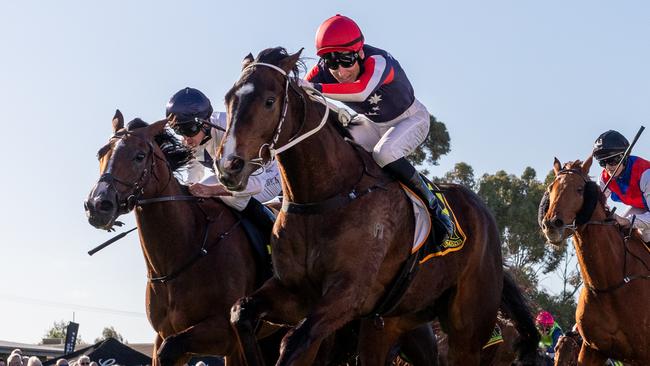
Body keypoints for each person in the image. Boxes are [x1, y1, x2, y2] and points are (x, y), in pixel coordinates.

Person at [303, 14, 453, 242]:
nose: (341, 72)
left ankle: (434, 207)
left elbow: (361, 90)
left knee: (385, 153)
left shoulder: (379, 61)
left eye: (346, 60)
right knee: (338, 148)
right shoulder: (322, 70)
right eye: (332, 63)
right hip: (372, 123)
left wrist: (312, 87)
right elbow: (302, 95)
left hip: (410, 119)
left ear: (360, 52)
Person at [165, 87, 282, 240]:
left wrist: (212, 191)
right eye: (179, 131)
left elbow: (255, 185)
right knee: (196, 198)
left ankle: (278, 237)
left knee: (228, 197)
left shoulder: (232, 131)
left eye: (189, 130)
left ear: (205, 123)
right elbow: (194, 176)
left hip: (267, 178)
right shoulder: (192, 141)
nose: (185, 139)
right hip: (232, 181)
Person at [593, 130, 650, 243]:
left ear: (624, 157)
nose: (608, 167)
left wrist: (627, 221)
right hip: (641, 208)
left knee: (646, 234)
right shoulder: (604, 178)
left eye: (613, 161)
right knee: (618, 231)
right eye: (603, 163)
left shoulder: (646, 174)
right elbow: (597, 205)